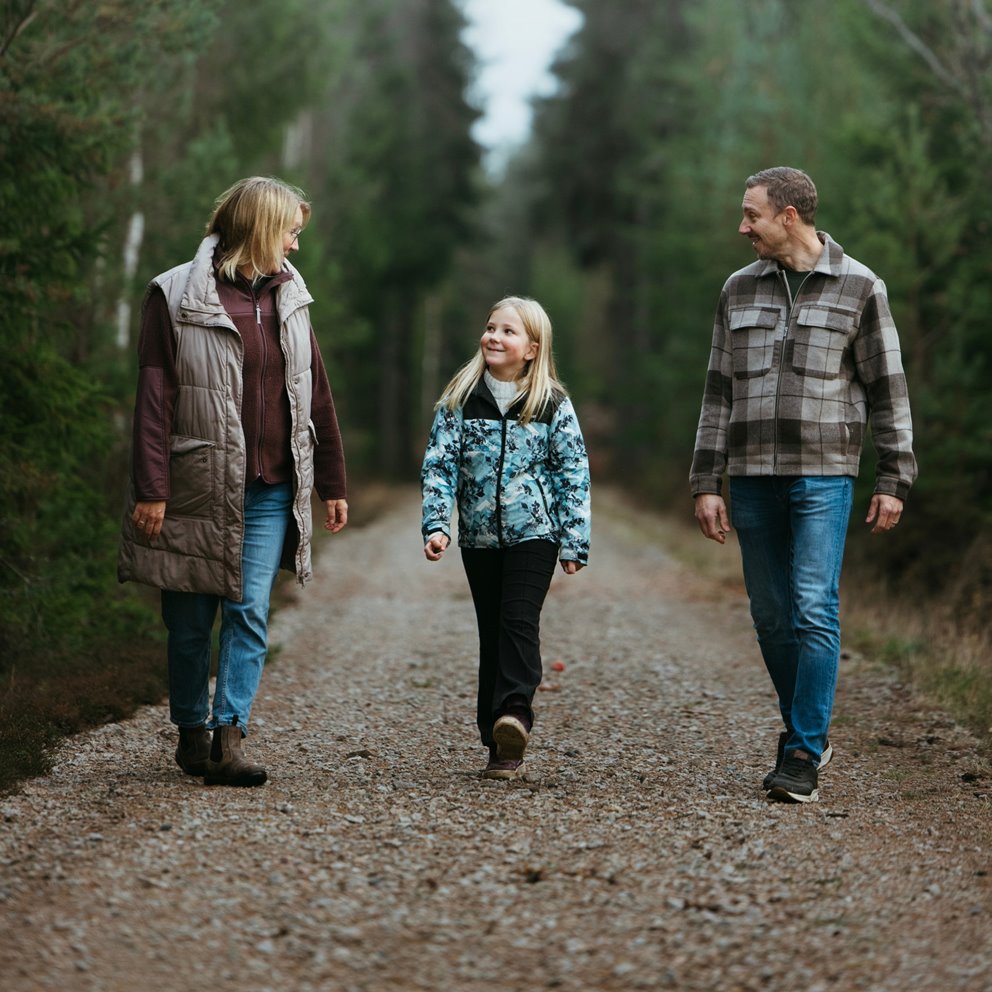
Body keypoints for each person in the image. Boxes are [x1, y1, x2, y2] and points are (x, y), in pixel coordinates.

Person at [690, 167, 917, 804]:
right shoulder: (737, 290)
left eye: (751, 215)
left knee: (813, 605)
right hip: (752, 475)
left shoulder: (861, 287)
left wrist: (894, 476)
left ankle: (802, 751)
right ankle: (806, 731)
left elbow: (887, 392)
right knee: (769, 614)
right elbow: (717, 393)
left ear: (789, 216)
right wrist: (706, 479)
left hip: (825, 474)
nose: (742, 227)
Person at [118, 176, 348, 787]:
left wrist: (332, 480)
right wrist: (151, 488)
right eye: (291, 233)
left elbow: (314, 392)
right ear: (261, 230)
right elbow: (153, 399)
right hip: (195, 484)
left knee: (248, 611)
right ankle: (191, 732)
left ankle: (229, 737)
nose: (296, 247)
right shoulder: (173, 295)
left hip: (270, 488)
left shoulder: (292, 297)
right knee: (190, 622)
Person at [421, 296, 591, 780]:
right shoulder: (461, 398)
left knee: (518, 620)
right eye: (490, 327)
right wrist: (437, 524)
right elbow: (439, 465)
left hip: (535, 532)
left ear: (532, 348)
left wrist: (574, 540)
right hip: (477, 535)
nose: (494, 337)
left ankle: (515, 713)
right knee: (492, 630)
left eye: (508, 331)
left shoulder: (550, 403)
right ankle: (495, 736)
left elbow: (572, 471)